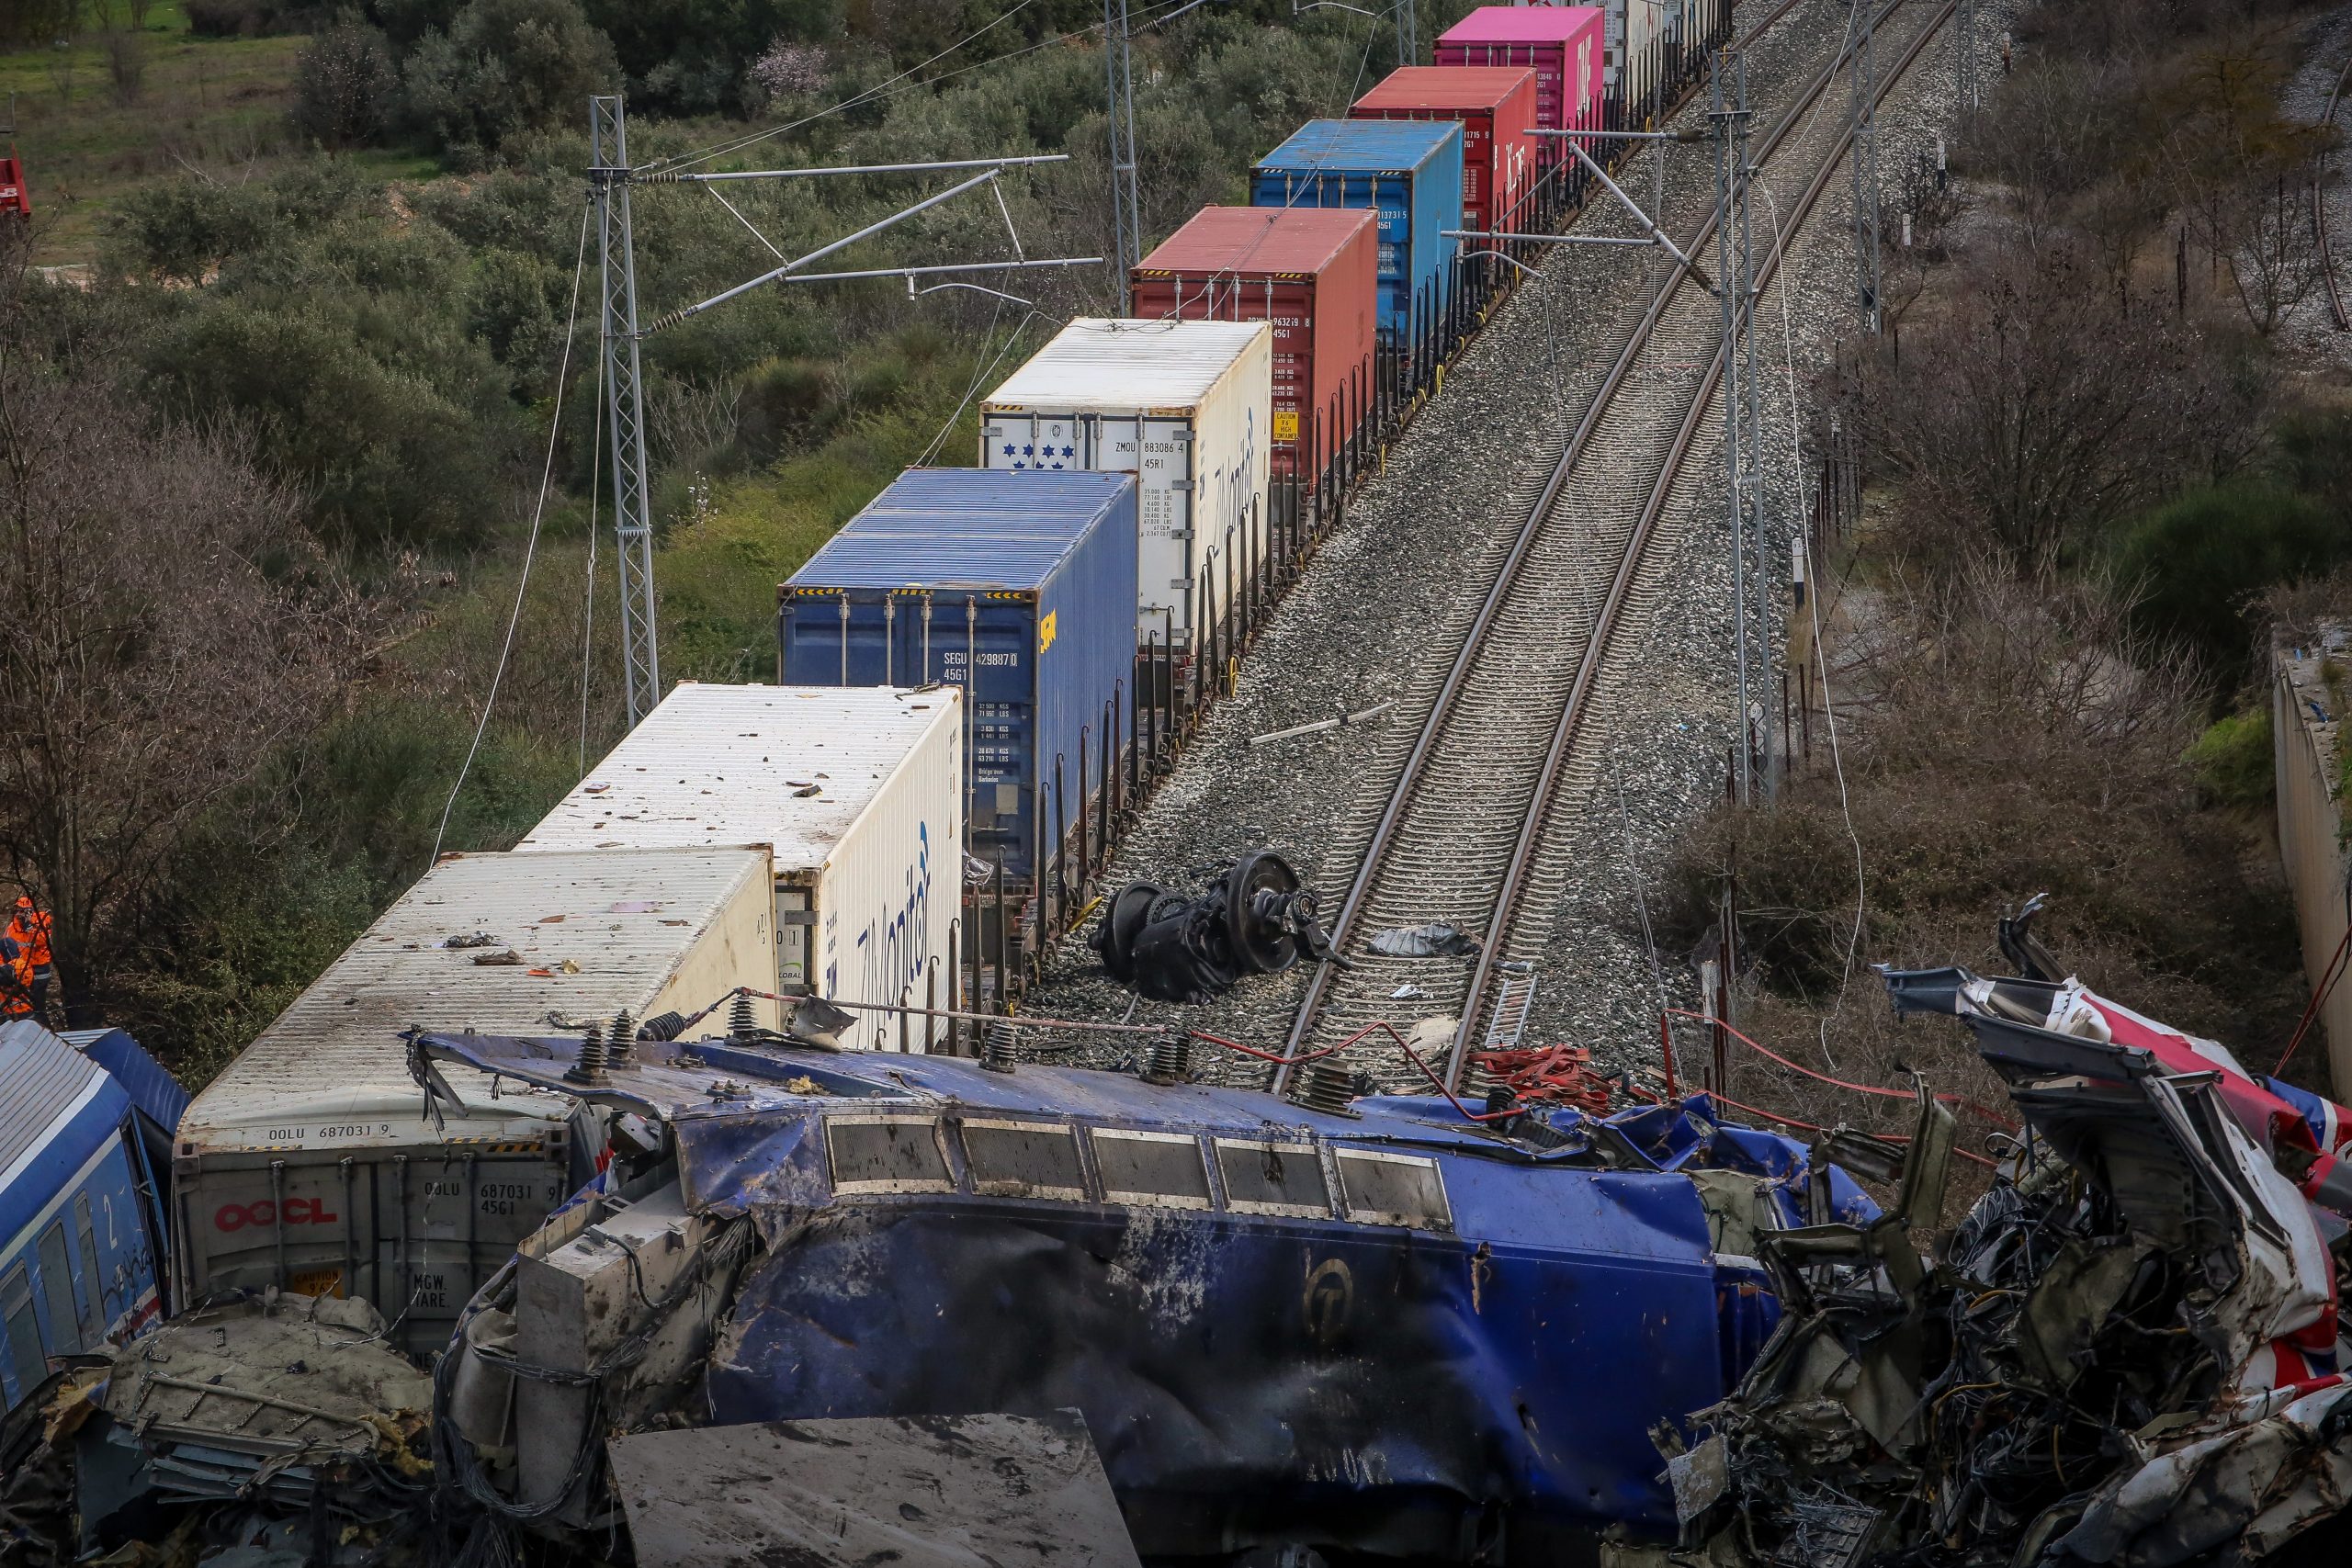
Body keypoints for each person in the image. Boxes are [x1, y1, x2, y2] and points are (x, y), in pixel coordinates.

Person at [9, 896, 51, 1015]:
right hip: (21, 969)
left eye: (23, 911)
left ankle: (40, 1021)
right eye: (18, 910)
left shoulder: (42, 920)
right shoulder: (13, 926)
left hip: (39, 969)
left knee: (38, 1003)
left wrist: (30, 927)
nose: (20, 914)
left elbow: (43, 941)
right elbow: (5, 944)